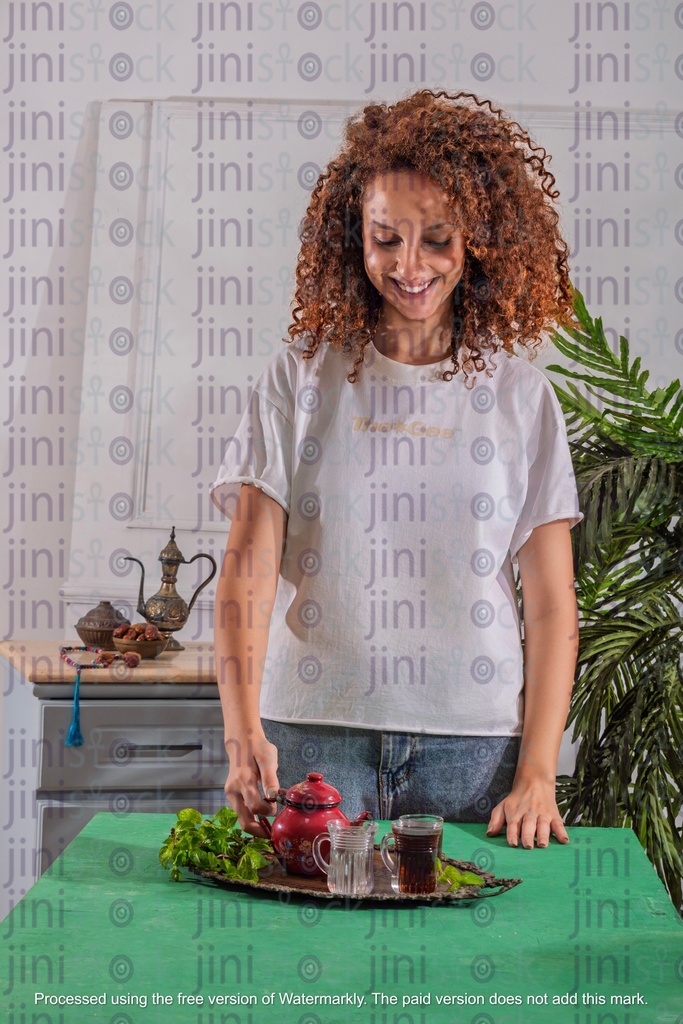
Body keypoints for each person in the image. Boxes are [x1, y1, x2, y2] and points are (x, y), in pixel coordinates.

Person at [210, 89, 582, 851]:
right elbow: (247, 567)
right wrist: (242, 734)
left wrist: (537, 770)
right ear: (354, 238)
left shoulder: (520, 397)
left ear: (479, 242)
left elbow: (550, 605)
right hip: (311, 736)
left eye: (437, 240)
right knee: (310, 961)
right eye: (386, 240)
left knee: (462, 968)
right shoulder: (299, 380)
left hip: (472, 750)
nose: (409, 268)